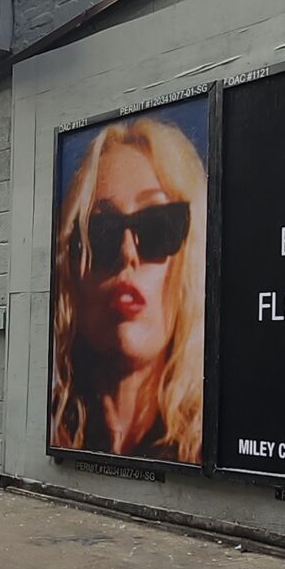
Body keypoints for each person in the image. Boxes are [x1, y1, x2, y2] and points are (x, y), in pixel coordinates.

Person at [48, 115, 208, 462]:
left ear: (189, 263)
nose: (127, 255)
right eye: (102, 231)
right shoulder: (51, 423)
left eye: (157, 228)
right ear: (70, 267)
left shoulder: (206, 442)